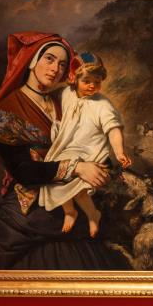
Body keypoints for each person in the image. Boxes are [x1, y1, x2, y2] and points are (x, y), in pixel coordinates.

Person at [0, 32, 131, 270]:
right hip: (30, 205)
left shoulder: (65, 99)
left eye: (63, 64)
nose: (56, 68)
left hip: (72, 197)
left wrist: (101, 164)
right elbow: (24, 171)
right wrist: (77, 167)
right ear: (32, 61)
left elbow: (92, 134)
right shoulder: (6, 111)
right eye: (49, 59)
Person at [38, 52, 132, 237]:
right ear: (74, 79)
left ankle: (92, 214)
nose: (92, 85)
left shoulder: (102, 104)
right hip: (67, 149)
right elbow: (47, 99)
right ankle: (70, 211)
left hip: (91, 151)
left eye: (97, 81)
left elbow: (113, 129)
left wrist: (120, 152)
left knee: (79, 189)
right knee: (55, 174)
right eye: (87, 81)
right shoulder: (66, 94)